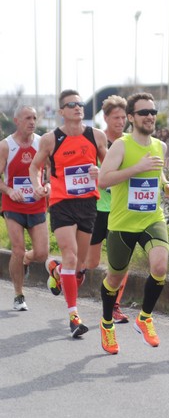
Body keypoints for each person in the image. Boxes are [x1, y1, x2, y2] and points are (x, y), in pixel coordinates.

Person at [97, 92, 169, 354]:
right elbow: (104, 180)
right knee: (115, 278)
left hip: (151, 218)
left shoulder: (160, 146)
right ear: (131, 117)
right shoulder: (121, 145)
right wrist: (136, 168)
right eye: (143, 112)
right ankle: (107, 324)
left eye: (153, 112)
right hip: (122, 223)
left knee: (160, 266)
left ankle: (145, 318)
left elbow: (157, 171)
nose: (150, 117)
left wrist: (166, 186)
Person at [30, 89, 108, 338]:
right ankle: (74, 317)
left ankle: (55, 269)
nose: (77, 107)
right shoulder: (50, 139)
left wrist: (100, 171)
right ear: (62, 111)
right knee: (71, 256)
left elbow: (109, 166)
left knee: (80, 267)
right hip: (62, 202)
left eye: (80, 104)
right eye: (71, 104)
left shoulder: (97, 136)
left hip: (88, 203)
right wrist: (37, 186)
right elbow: (35, 167)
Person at [84, 94, 130, 323]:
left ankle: (114, 306)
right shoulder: (96, 141)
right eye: (116, 117)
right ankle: (62, 268)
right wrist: (93, 172)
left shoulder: (130, 143)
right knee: (91, 262)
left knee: (122, 262)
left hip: (122, 209)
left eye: (123, 117)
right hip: (98, 208)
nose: (120, 122)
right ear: (106, 117)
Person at [0, 106, 49, 311]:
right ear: (17, 120)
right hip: (13, 205)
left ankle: (27, 260)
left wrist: (47, 186)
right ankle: (19, 294)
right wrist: (10, 191)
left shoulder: (42, 143)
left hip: (36, 204)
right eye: (28, 118)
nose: (32, 121)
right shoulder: (5, 146)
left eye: (35, 118)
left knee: (42, 254)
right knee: (18, 249)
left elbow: (51, 174)